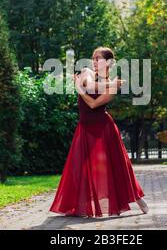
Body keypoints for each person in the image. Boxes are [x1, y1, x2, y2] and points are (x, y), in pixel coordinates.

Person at [49, 47, 149, 217]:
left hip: (104, 128)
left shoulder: (113, 83)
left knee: (118, 166)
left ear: (108, 62)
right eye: (93, 58)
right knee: (78, 166)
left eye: (98, 58)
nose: (94, 62)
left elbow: (94, 104)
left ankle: (138, 199)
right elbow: (90, 85)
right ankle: (75, 206)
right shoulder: (88, 72)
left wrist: (80, 89)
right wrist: (106, 85)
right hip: (85, 126)